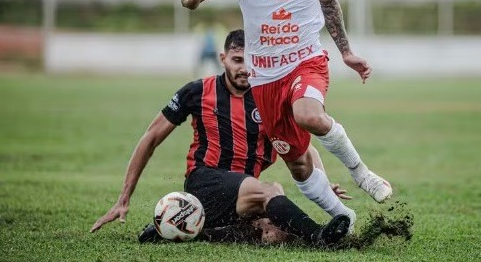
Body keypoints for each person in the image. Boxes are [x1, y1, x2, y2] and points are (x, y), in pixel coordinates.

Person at [180, 0, 393, 232]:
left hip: (305, 60)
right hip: (264, 78)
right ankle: (346, 218)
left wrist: (346, 53)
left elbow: (329, 6)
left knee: (308, 114)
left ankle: (362, 174)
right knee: (298, 165)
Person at [90, 29, 350, 247]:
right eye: (237, 60)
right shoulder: (197, 91)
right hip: (205, 182)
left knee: (278, 235)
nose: (245, 69)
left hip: (242, 194)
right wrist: (123, 198)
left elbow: (301, 148)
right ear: (223, 58)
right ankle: (320, 235)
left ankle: (188, 231)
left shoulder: (268, 98)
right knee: (272, 191)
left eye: (252, 61)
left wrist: (322, 184)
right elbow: (151, 138)